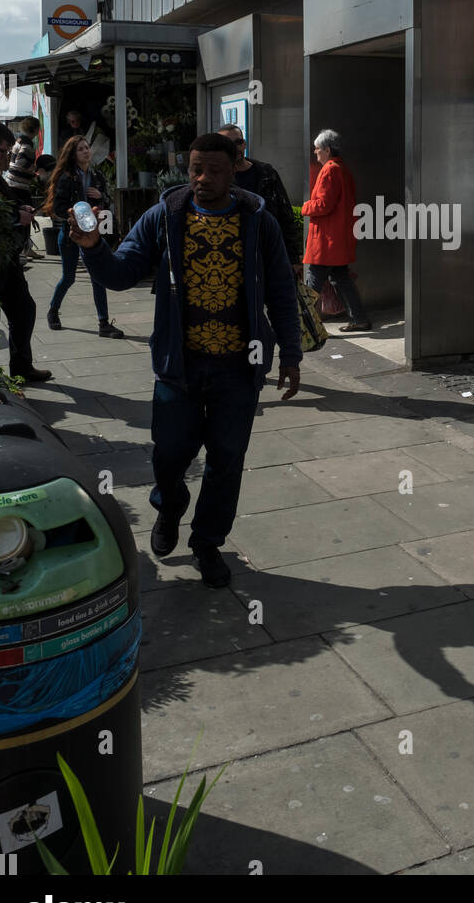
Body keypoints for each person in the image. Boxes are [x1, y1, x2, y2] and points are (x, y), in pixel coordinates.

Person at [67, 132, 303, 588]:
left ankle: (208, 543)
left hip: (240, 367)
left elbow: (281, 293)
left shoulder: (258, 220)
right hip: (179, 366)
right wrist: (93, 247)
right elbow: (122, 274)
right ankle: (169, 506)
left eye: (214, 169)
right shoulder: (165, 216)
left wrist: (291, 354)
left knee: (227, 459)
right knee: (171, 453)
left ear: (236, 167)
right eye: (196, 168)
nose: (202, 178)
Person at [0, 119, 52, 382]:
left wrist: (20, 209)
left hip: (5, 259)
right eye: (3, 151)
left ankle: (22, 367)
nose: (7, 156)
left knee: (24, 310)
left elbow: (1, 202)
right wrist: (16, 218)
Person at [42, 137, 124, 338]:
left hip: (94, 234)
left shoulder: (96, 174)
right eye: (81, 149)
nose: (86, 152)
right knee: (68, 277)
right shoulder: (67, 177)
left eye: (87, 148)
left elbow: (106, 200)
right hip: (72, 235)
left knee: (98, 278)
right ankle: (53, 311)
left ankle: (104, 323)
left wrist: (100, 196)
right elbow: (58, 207)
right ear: (73, 154)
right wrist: (72, 211)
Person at [302, 129, 371, 332]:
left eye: (317, 150)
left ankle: (306, 326)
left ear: (327, 150)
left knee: (313, 283)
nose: (315, 154)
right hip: (338, 238)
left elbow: (323, 204)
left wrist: (304, 207)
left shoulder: (330, 170)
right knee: (341, 279)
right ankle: (359, 319)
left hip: (326, 240)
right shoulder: (342, 168)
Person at [218, 123, 303, 272]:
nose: (236, 148)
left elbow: (285, 214)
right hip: (232, 257)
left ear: (244, 144)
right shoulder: (219, 179)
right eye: (229, 144)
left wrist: (293, 258)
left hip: (268, 252)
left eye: (238, 142)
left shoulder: (266, 173)